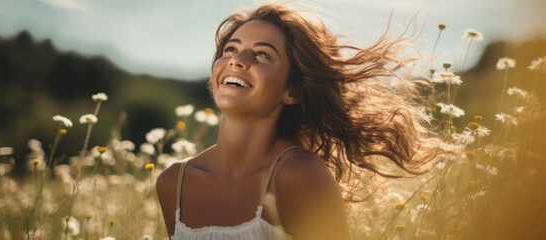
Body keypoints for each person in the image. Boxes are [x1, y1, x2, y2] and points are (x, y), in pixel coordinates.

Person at [157, 3, 440, 240]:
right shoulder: (174, 183)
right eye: (230, 49)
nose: (237, 60)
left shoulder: (300, 176)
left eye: (262, 54)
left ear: (291, 91)